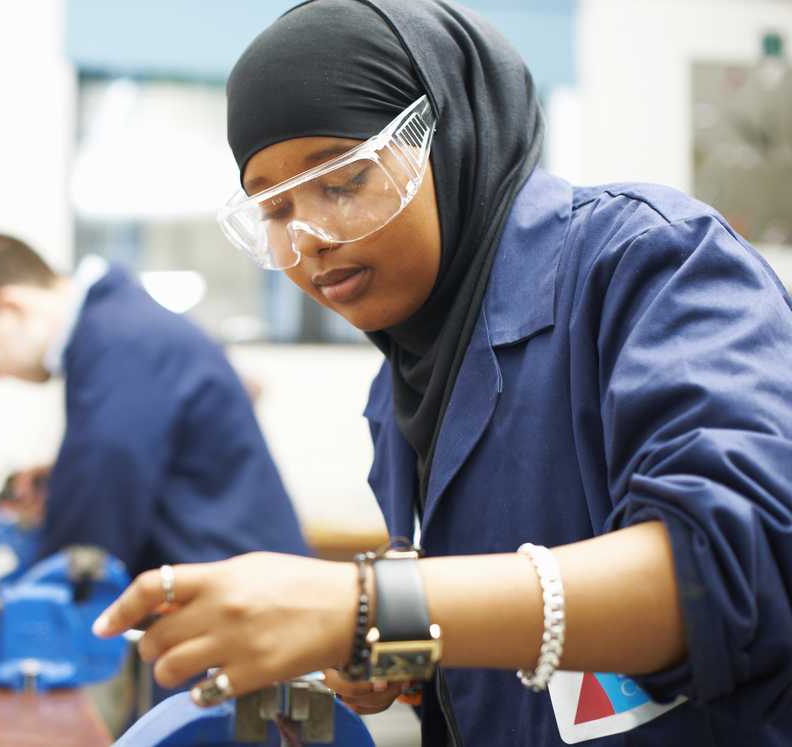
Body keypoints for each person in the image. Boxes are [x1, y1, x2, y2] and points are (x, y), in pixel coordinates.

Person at [92, 1, 792, 745]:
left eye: (342, 181)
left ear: (452, 137)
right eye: (276, 208)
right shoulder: (398, 393)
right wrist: (396, 653)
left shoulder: (648, 262)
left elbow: (732, 572)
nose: (309, 241)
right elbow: (486, 639)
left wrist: (369, 605)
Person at [0, 231, 310, 581]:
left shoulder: (117, 342)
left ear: (12, 307)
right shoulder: (116, 327)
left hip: (250, 600)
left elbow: (91, 531)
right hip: (245, 583)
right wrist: (61, 479)